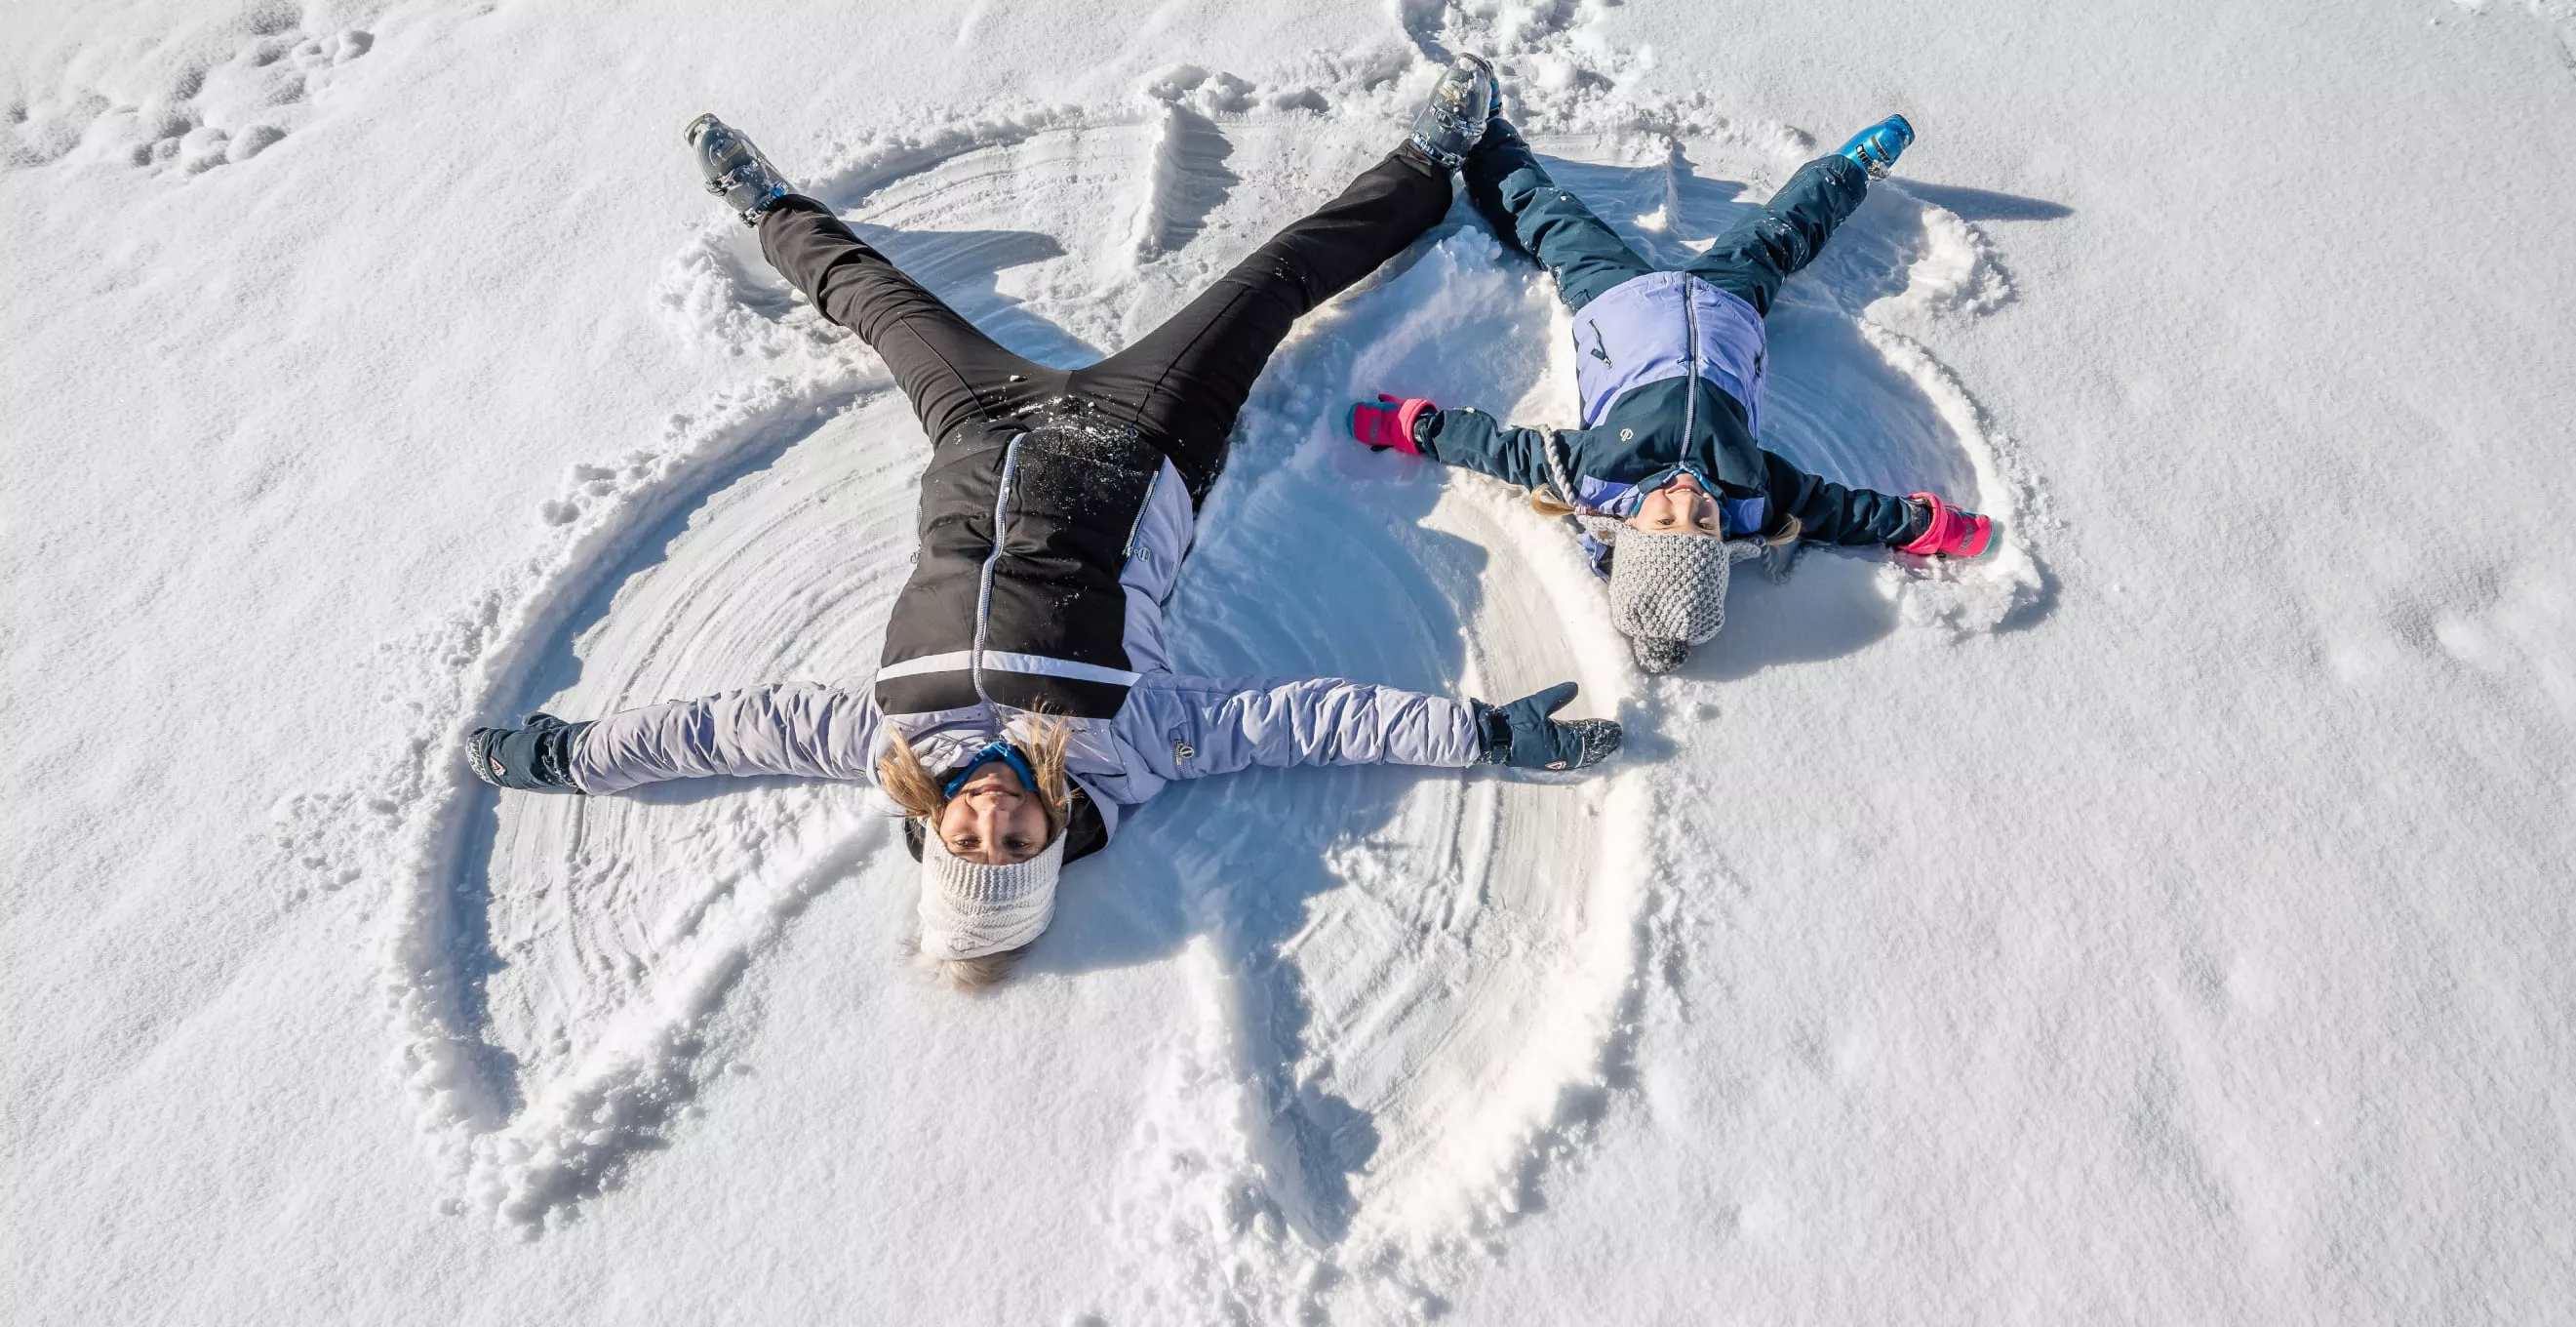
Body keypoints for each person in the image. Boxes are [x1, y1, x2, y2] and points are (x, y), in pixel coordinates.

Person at [464, 58, 1622, 990]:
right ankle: (1432, 162)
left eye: (967, 841)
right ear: (1054, 839)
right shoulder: (1132, 749)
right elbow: (1301, 719)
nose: (991, 819)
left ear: (932, 835)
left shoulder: (886, 749)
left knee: (878, 304)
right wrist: (1480, 738)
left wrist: (572, 756)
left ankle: (767, 209)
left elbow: (723, 733)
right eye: (1017, 845)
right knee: (1270, 286)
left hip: (977, 429)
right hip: (1144, 436)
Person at [1343, 107, 1996, 673]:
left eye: (1666, 516)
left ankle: (1487, 139)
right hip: (1726, 305)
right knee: (1783, 233)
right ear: (1725, 537)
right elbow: (1842, 512)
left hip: (1616, 303)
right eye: (1704, 520)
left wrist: (1415, 428)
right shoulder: (1756, 495)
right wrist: (1921, 524)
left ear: (1628, 524)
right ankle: (1849, 171)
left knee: (1549, 220)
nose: (1688, 499)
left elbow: (1498, 450)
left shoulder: (1590, 476)